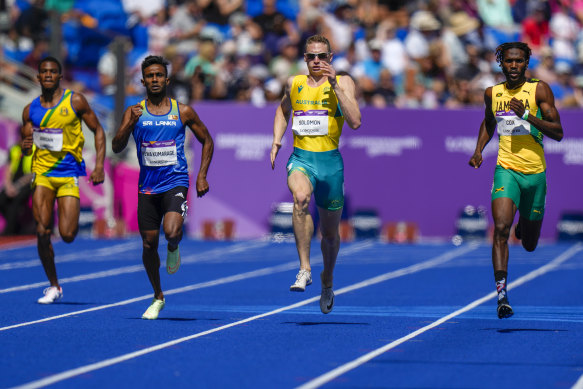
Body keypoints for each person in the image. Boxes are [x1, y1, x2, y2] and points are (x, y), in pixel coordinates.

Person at [112, 55, 214, 320]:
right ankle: (158, 295)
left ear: (166, 80)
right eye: (150, 76)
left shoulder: (183, 111)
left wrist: (201, 175)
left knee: (171, 231)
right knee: (147, 244)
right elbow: (116, 146)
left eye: (159, 75)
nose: (154, 80)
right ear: (143, 80)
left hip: (175, 182)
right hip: (147, 188)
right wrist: (128, 125)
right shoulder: (134, 111)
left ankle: (173, 245)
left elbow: (208, 140)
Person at [468, 42, 564, 319]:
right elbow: (489, 121)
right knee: (499, 229)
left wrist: (527, 115)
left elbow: (558, 132)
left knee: (530, 244)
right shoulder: (492, 93)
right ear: (501, 63)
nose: (513, 66)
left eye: (519, 61)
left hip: (535, 175)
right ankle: (501, 296)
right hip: (506, 170)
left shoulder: (539, 90)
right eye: (509, 61)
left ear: (526, 63)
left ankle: (526, 222)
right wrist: (478, 150)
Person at [270, 35, 361, 314]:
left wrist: (334, 85)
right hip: (301, 158)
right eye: (311, 57)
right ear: (305, 58)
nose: (316, 62)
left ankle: (327, 281)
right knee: (300, 198)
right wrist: (276, 141)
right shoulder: (294, 83)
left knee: (330, 235)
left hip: (330, 164)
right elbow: (283, 110)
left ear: (331, 58)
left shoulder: (343, 82)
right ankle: (304, 268)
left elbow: (356, 121)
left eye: (321, 56)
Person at [21, 56, 106, 304]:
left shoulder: (75, 101)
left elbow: (98, 130)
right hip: (43, 174)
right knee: (42, 230)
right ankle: (53, 286)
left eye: (53, 72)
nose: (48, 75)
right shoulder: (30, 109)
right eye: (44, 72)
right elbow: (27, 146)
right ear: (38, 77)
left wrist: (99, 165)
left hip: (68, 174)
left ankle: (56, 277)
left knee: (67, 234)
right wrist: (26, 146)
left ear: (60, 76)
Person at [0, 142, 34, 235]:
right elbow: (9, 169)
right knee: (2, 199)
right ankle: (15, 225)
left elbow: (32, 173)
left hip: (28, 184)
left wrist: (17, 186)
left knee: (15, 202)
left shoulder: (35, 149)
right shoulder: (14, 149)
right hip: (13, 183)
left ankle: (9, 232)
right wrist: (8, 186)